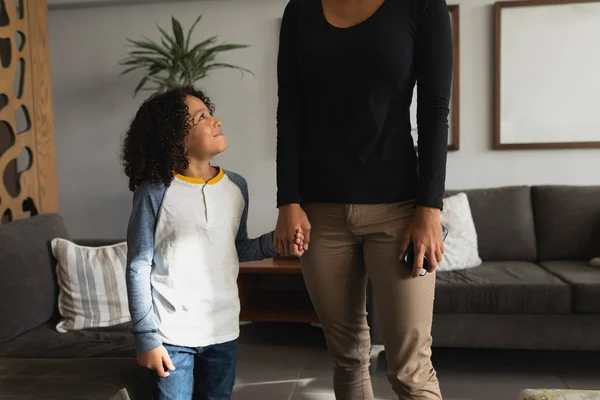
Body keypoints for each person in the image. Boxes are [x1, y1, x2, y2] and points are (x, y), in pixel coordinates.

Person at [273, 0, 453, 399]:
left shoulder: (422, 6)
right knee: (348, 358)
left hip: (401, 212)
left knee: (411, 369)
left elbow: (435, 109)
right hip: (319, 214)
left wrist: (430, 208)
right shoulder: (300, 10)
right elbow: (290, 110)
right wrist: (288, 200)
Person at [122, 86, 300, 400]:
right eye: (201, 117)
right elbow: (138, 266)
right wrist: (146, 339)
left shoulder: (236, 186)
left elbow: (238, 248)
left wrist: (277, 242)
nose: (215, 120)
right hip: (171, 334)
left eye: (210, 112)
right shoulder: (154, 192)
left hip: (224, 328)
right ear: (175, 137)